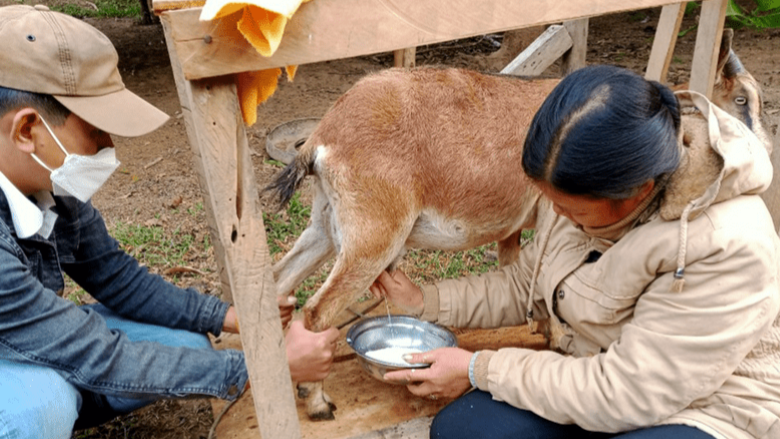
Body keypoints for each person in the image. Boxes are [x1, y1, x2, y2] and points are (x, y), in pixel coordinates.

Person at [371, 64, 780, 439]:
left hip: (706, 408)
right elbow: (524, 282)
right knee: (466, 429)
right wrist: (425, 301)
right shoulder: (580, 185)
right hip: (595, 372)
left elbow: (627, 392)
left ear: (638, 192)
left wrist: (482, 369)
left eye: (571, 208)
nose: (556, 214)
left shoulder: (724, 244)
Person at [0, 5, 338, 438]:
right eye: (96, 131)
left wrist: (229, 317)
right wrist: (266, 365)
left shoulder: (48, 186)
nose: (108, 148)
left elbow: (119, 279)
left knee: (184, 343)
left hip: (24, 336)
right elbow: (97, 354)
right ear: (28, 130)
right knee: (42, 405)